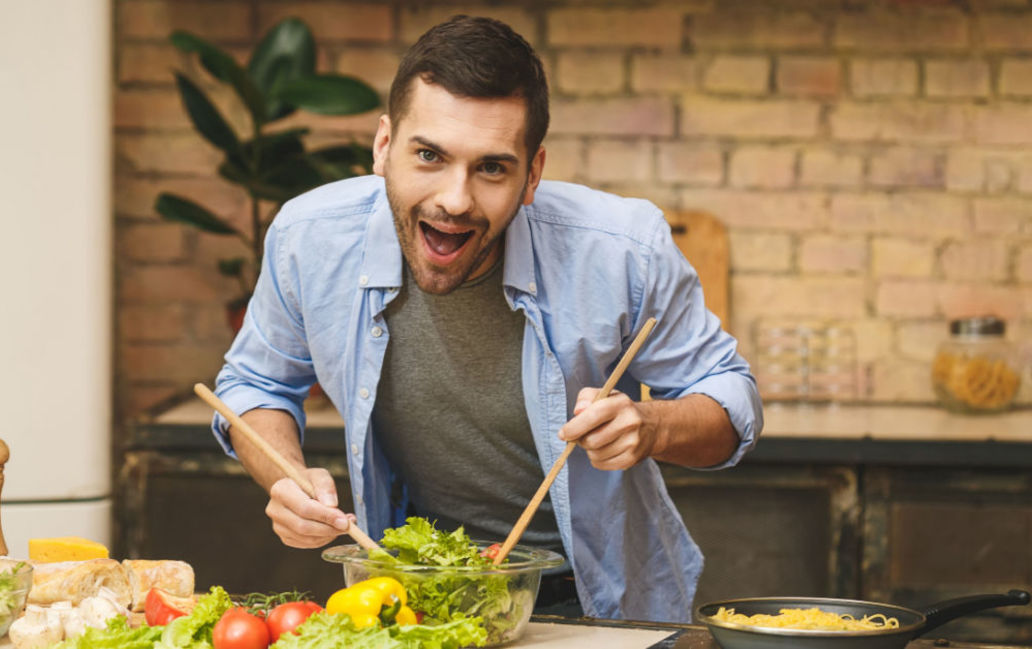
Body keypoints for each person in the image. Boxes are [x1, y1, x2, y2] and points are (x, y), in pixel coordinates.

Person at [210, 15, 763, 623]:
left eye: (492, 168)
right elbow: (254, 385)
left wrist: (650, 426)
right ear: (383, 147)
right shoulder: (307, 238)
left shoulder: (624, 248)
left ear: (533, 174)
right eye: (429, 155)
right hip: (414, 597)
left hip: (604, 606)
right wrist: (286, 478)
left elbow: (732, 400)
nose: (455, 199)